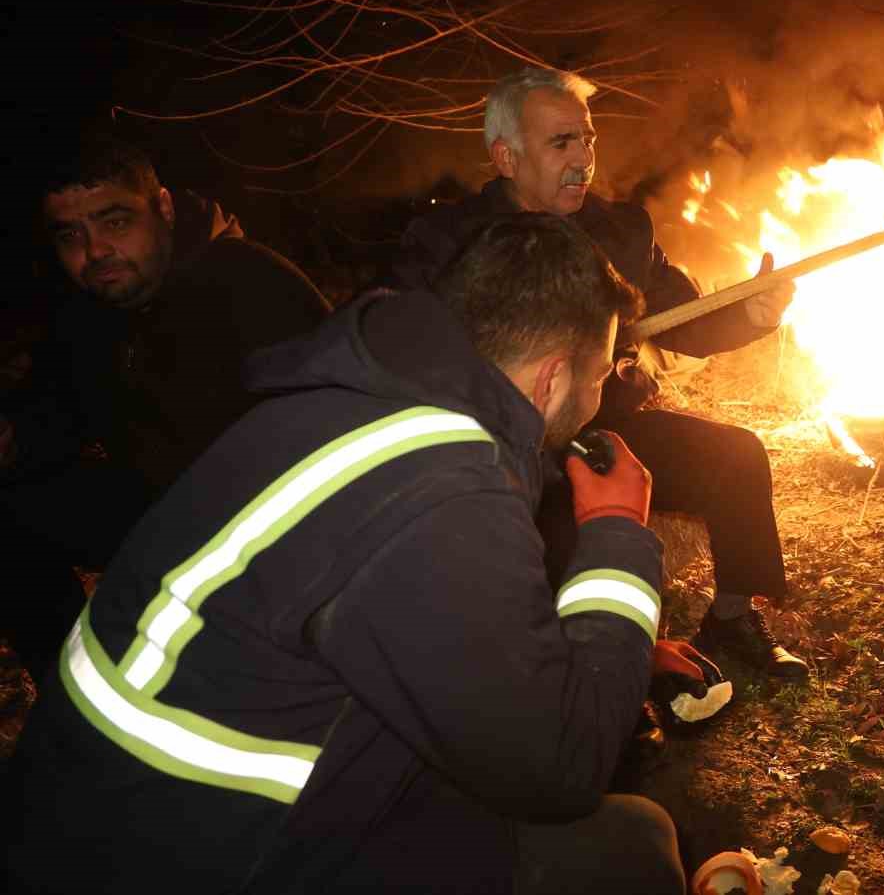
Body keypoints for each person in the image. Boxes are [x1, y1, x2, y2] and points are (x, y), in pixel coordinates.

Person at [5, 213, 688, 894]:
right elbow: (559, 770)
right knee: (633, 845)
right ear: (551, 379)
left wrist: (583, 657)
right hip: (194, 856)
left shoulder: (353, 399)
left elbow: (427, 626)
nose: (601, 398)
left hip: (108, 811)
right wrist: (616, 531)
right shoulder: (446, 493)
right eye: (601, 376)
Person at [387, 67, 807, 678]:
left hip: (602, 422)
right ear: (506, 156)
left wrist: (750, 312)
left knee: (736, 456)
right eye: (562, 143)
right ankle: (581, 672)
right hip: (501, 443)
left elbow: (683, 318)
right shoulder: (445, 240)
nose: (583, 157)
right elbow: (404, 343)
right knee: (555, 528)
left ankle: (733, 617)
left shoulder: (621, 229)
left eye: (587, 139)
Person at [1, 140, 330, 686]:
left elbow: (328, 445)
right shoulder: (89, 312)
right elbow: (58, 411)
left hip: (271, 530)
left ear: (165, 208)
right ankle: (74, 689)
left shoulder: (253, 288)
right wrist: (17, 439)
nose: (95, 250)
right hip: (162, 509)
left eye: (115, 221)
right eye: (70, 235)